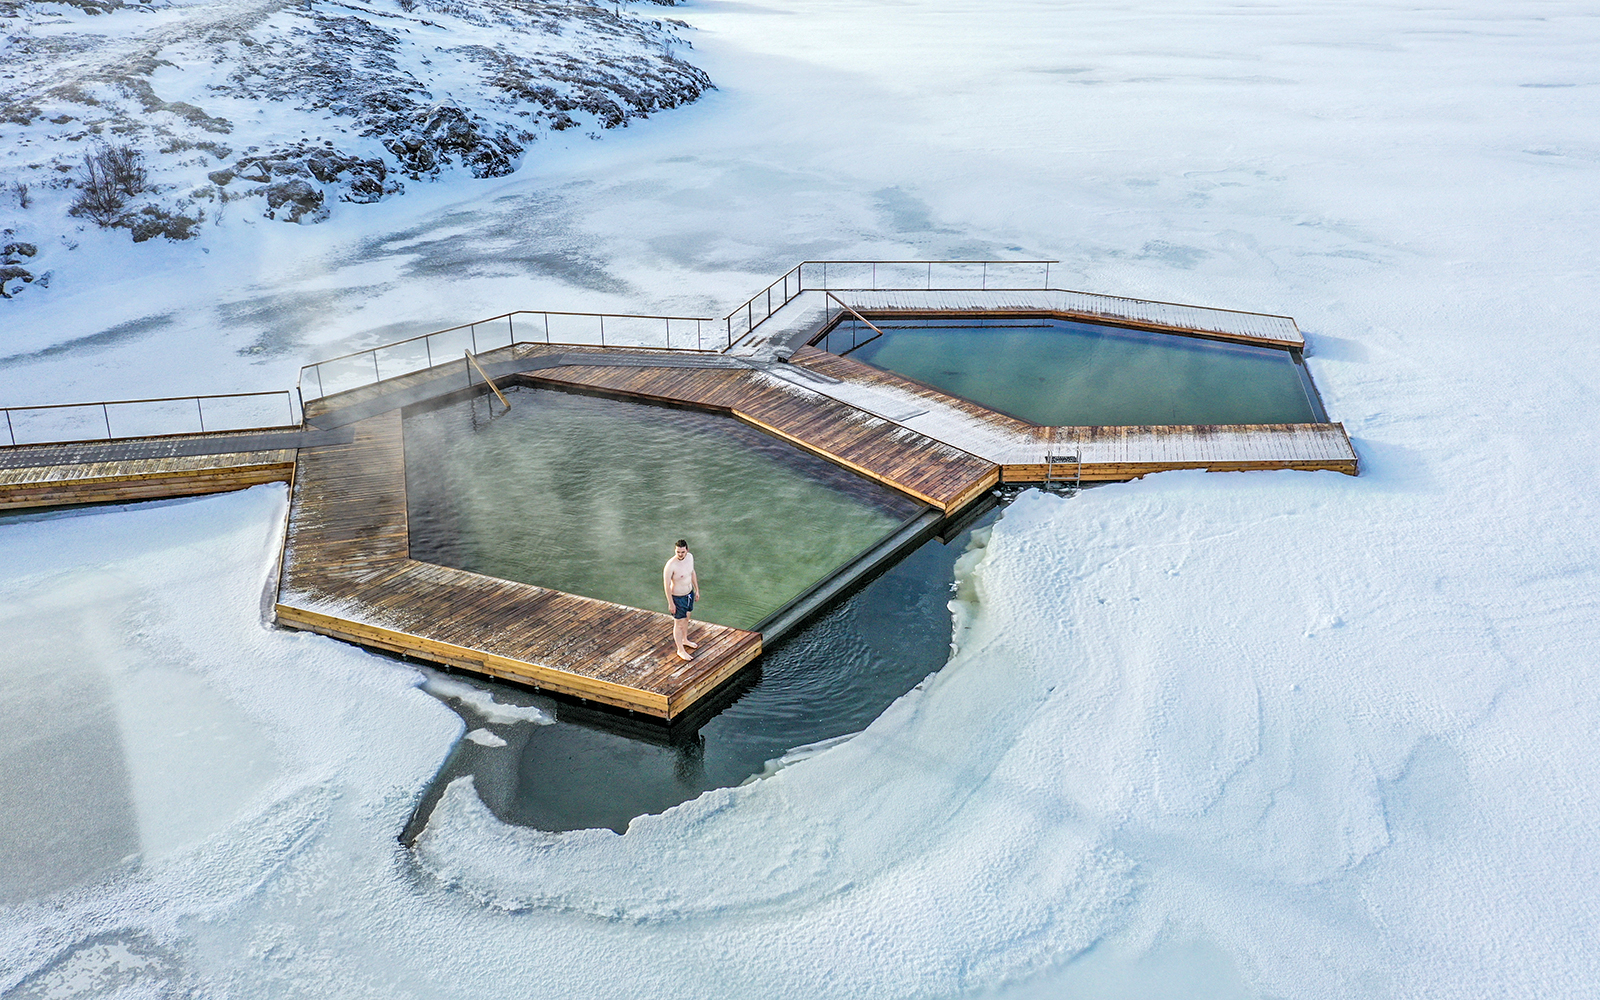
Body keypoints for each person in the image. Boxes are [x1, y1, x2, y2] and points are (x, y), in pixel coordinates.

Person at [663, 539, 700, 661]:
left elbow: (692, 573)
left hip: (689, 593)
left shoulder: (690, 557)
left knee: (687, 618)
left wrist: (697, 590)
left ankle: (685, 639)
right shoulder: (671, 565)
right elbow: (666, 585)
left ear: (687, 550)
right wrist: (671, 603)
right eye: (678, 552)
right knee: (678, 624)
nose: (680, 554)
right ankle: (680, 650)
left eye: (682, 552)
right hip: (677, 597)